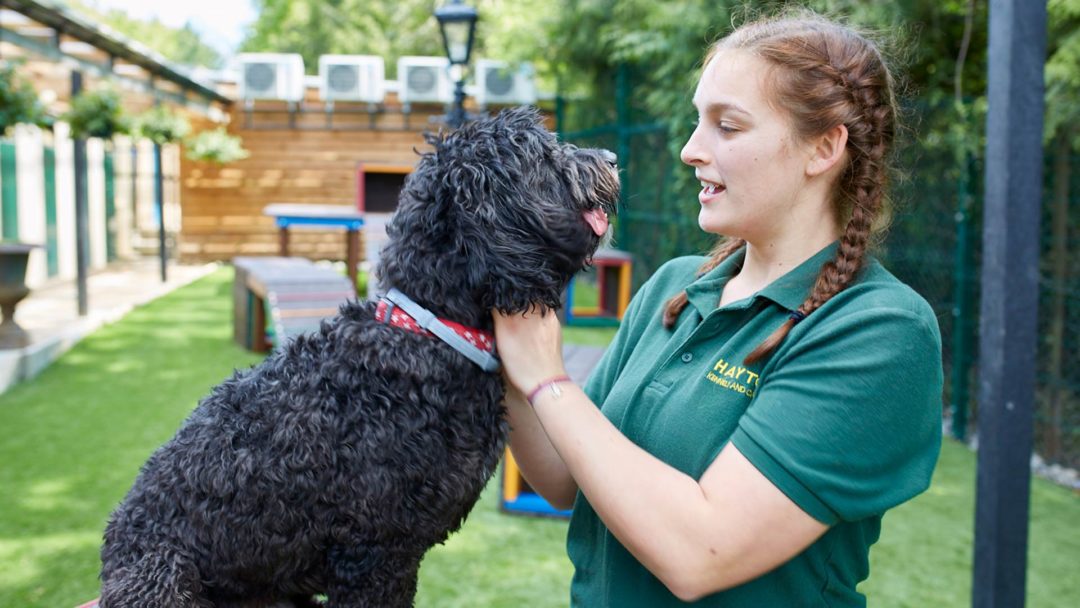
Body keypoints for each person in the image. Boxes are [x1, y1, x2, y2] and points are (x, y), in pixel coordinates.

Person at [492, 12, 944, 607]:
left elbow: (700, 552)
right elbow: (560, 477)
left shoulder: (878, 330)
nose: (689, 150)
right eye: (697, 122)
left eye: (727, 126)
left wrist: (550, 380)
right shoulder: (675, 287)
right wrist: (494, 331)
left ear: (824, 147)